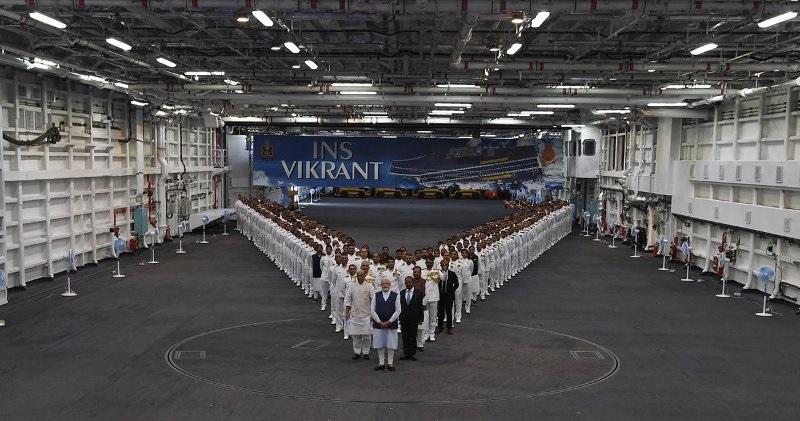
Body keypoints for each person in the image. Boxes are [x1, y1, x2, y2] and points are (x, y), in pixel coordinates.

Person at [345, 270, 375, 360]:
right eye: (358, 276)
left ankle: (366, 352)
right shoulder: (352, 286)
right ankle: (357, 352)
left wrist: (373, 313)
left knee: (367, 335)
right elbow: (348, 299)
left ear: (364, 276)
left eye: (362, 275)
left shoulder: (370, 286)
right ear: (356, 276)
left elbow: (373, 300)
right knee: (356, 335)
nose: (360, 277)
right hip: (355, 314)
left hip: (366, 314)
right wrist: (347, 312)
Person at [371, 278, 400, 371]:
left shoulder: (395, 295)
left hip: (391, 324)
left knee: (391, 344)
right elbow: (372, 310)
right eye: (383, 283)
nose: (385, 285)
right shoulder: (376, 295)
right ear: (381, 285)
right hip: (379, 324)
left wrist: (389, 321)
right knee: (380, 343)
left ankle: (390, 363)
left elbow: (398, 310)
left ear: (390, 285)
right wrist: (379, 321)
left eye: (387, 283)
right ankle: (381, 363)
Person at [399, 276, 425, 361]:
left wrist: (421, 318)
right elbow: (400, 306)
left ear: (413, 283)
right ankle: (406, 353)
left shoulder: (418, 293)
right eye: (406, 283)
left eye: (410, 282)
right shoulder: (402, 293)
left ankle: (412, 353)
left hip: (414, 318)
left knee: (413, 336)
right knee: (405, 336)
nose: (408, 284)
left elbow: (420, 306)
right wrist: (400, 318)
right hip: (404, 318)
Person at [437, 259, 459, 335]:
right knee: (440, 312)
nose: (444, 266)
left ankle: (449, 328)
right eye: (443, 265)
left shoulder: (452, 274)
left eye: (446, 265)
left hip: (449, 295)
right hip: (440, 295)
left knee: (449, 312)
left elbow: (456, 284)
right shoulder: (438, 273)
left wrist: (451, 290)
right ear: (441, 266)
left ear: (448, 265)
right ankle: (440, 328)